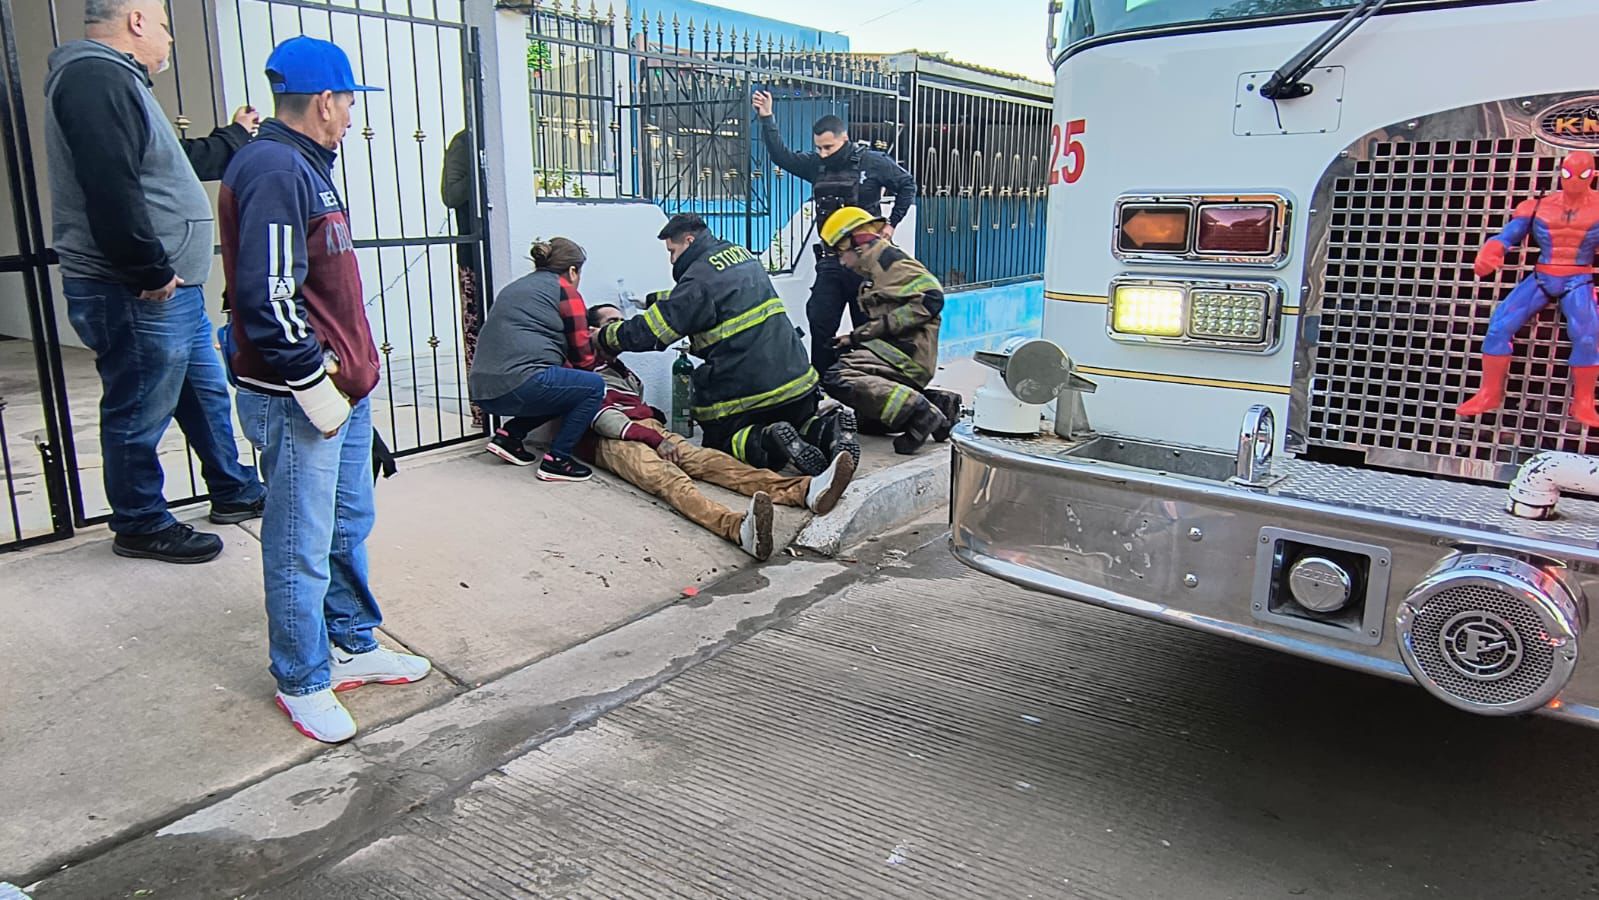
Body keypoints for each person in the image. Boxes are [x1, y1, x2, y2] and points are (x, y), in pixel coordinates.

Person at [221, 36, 431, 743]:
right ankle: (302, 678)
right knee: (298, 542)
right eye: (346, 102)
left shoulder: (304, 164)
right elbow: (267, 296)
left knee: (345, 525)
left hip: (338, 391)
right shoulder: (277, 167)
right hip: (300, 397)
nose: (348, 115)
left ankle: (352, 642)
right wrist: (313, 383)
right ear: (323, 101)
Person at [44, 0, 267, 564]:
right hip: (140, 289)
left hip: (173, 287)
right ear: (137, 20)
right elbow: (109, 185)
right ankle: (141, 522)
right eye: (166, 26)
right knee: (139, 405)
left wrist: (234, 138)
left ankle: (233, 489)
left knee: (204, 394)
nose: (170, 40)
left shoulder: (119, 83)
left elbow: (172, 163)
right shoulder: (94, 76)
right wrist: (147, 269)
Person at [580, 304, 857, 560]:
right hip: (613, 437)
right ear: (592, 330)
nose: (619, 328)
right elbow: (603, 417)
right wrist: (654, 438)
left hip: (644, 428)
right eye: (612, 322)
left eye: (621, 321)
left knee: (709, 461)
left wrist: (653, 420)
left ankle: (805, 490)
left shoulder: (620, 369)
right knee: (669, 478)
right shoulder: (583, 367)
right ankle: (736, 529)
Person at [593, 213, 858, 476]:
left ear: (688, 240)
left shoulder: (698, 279)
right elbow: (709, 297)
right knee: (798, 423)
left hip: (751, 387)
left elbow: (653, 331)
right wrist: (651, 300)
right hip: (797, 380)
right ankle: (827, 430)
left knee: (720, 438)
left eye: (672, 251)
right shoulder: (739, 255)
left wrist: (603, 337)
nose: (671, 259)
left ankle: (765, 442)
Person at [752, 89, 917, 375]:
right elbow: (782, 157)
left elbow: (907, 184)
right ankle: (824, 385)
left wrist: (891, 223)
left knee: (867, 327)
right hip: (831, 260)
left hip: (867, 263)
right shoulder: (817, 165)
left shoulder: (872, 162)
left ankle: (869, 385)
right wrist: (767, 117)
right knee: (820, 320)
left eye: (828, 147)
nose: (823, 153)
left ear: (844, 139)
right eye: (818, 148)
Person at [818, 206, 963, 455]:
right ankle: (940, 406)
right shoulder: (874, 268)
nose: (841, 261)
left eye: (840, 253)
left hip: (905, 353)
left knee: (836, 377)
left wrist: (875, 330)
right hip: (899, 351)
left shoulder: (890, 261)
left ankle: (921, 412)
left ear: (856, 242)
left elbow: (931, 299)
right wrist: (852, 338)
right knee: (867, 422)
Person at [469, 237, 606, 482]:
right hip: (521, 383)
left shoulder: (514, 287)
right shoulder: (565, 290)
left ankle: (509, 437)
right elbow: (583, 358)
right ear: (573, 270)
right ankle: (558, 461)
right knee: (592, 386)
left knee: (564, 386)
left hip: (482, 390)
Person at [441, 128, 486, 431]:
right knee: (475, 334)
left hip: (496, 248)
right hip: (472, 254)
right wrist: (481, 169)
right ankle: (481, 412)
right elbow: (451, 195)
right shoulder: (465, 142)